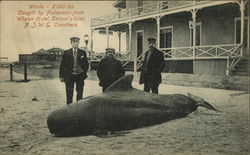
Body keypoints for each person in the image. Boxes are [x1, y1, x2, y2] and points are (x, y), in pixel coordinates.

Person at [59, 37, 89, 104]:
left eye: (77, 42)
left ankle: (78, 107)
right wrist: (61, 76)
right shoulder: (66, 53)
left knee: (80, 92)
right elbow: (62, 65)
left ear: (78, 43)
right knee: (69, 93)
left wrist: (84, 73)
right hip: (69, 76)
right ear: (71, 43)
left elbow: (86, 64)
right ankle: (69, 107)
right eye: (74, 42)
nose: (75, 44)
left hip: (80, 75)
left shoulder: (82, 53)